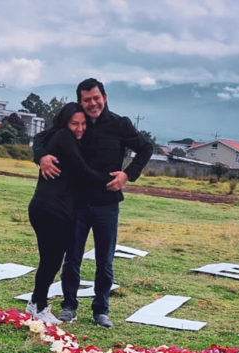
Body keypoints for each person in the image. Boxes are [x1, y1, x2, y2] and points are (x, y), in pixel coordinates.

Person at [34, 77, 153, 327]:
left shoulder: (120, 124)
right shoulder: (77, 122)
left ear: (105, 98)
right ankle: (69, 307)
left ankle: (101, 310)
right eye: (87, 100)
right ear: (80, 101)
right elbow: (42, 138)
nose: (92, 103)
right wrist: (42, 157)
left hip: (107, 203)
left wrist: (127, 175)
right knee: (72, 257)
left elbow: (145, 148)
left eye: (96, 98)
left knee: (104, 259)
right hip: (76, 201)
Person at [26, 103, 113, 325]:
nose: (80, 128)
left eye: (83, 123)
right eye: (75, 123)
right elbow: (83, 169)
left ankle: (36, 304)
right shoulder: (64, 136)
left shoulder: (65, 137)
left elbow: (41, 141)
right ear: (65, 123)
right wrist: (112, 181)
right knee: (51, 260)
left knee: (51, 260)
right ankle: (39, 306)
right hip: (49, 208)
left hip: (57, 209)